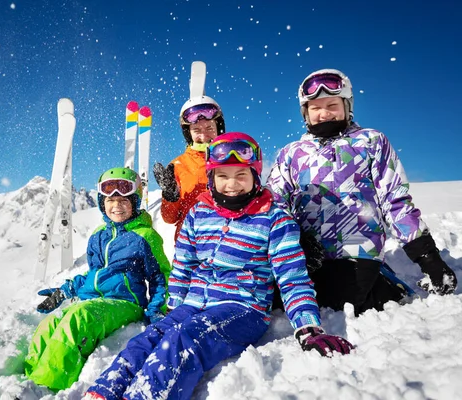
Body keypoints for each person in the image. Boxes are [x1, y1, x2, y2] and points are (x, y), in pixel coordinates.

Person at [85, 133, 353, 400]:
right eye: (223, 176)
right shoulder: (200, 212)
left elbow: (292, 277)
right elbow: (183, 264)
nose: (232, 185)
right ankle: (103, 392)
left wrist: (308, 327)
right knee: (149, 338)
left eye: (241, 176)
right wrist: (173, 306)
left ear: (255, 177)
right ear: (212, 178)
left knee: (184, 340)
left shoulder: (273, 217)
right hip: (193, 303)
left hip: (242, 307)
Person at [267, 68, 458, 316]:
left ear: (347, 106)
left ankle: (383, 284)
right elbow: (273, 204)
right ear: (306, 113)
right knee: (277, 301)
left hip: (357, 251)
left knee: (337, 304)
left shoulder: (370, 142)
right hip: (306, 256)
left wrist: (427, 256)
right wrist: (292, 240)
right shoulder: (292, 153)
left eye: (332, 105)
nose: (324, 113)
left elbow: (395, 200)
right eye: (315, 108)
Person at [24, 167, 171, 391]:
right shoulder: (98, 236)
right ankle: (30, 380)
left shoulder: (145, 236)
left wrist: (156, 309)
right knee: (50, 324)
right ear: (102, 204)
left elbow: (160, 276)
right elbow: (95, 276)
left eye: (124, 200)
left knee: (79, 318)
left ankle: (47, 385)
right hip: (96, 301)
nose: (117, 205)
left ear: (135, 202)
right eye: (110, 200)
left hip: (125, 304)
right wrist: (66, 291)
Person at [153, 94, 226, 241]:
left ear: (218, 128)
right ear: (188, 133)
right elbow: (169, 219)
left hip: (228, 244)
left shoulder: (233, 157)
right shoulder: (177, 166)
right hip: (189, 247)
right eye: (197, 130)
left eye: (209, 128)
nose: (204, 135)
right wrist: (170, 196)